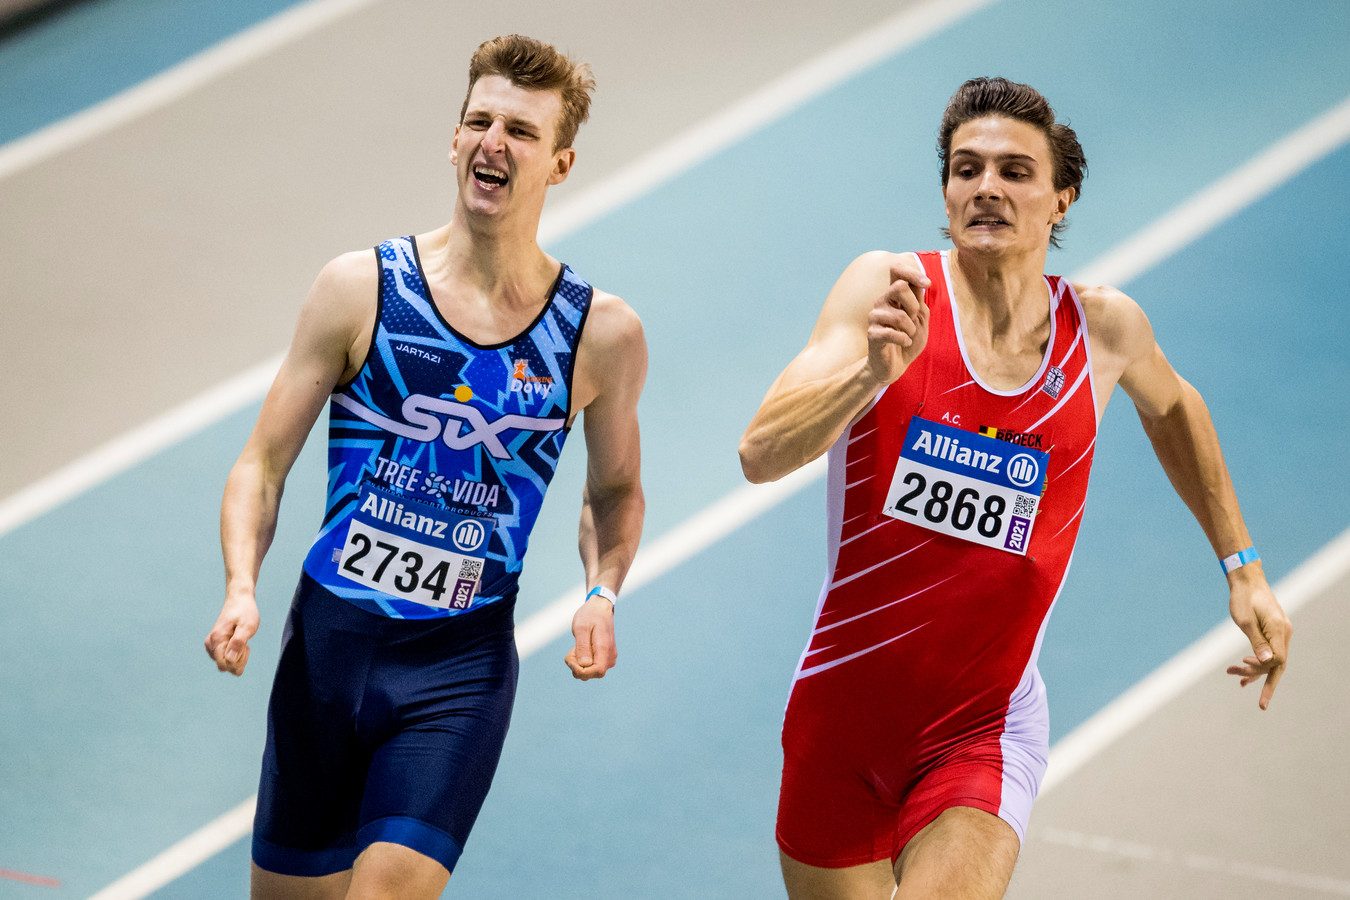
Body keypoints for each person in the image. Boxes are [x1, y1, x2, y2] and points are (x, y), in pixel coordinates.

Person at [738, 76, 1290, 900]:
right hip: (841, 722)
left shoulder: (1102, 329)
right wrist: (868, 376)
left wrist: (1242, 565)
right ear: (947, 190)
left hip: (981, 730)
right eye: (966, 169)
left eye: (1015, 171)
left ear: (1061, 198)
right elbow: (759, 453)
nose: (986, 187)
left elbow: (1176, 406)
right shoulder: (888, 294)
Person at [203, 34, 647, 899]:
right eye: (479, 121)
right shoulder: (359, 289)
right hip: (328, 651)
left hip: (459, 667)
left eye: (520, 131)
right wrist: (240, 585)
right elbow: (261, 464)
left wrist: (601, 592)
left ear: (560, 163)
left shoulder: (601, 334)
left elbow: (615, 491)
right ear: (453, 140)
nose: (493, 142)